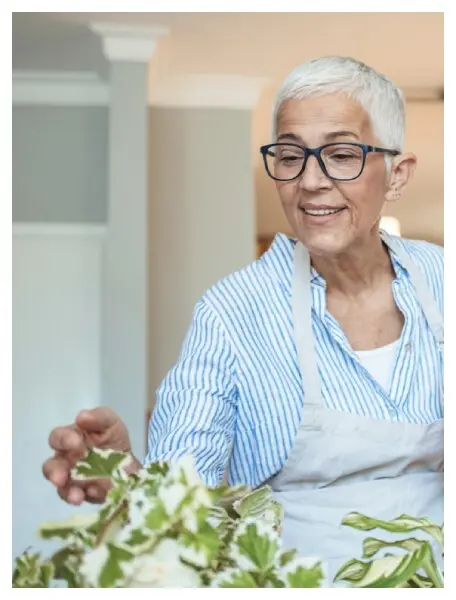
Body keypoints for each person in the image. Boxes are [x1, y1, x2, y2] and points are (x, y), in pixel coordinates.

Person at [42, 56, 443, 579]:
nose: (312, 181)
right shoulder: (231, 315)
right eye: (290, 156)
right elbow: (183, 503)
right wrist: (131, 479)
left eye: (342, 155)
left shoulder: (444, 281)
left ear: (397, 174)